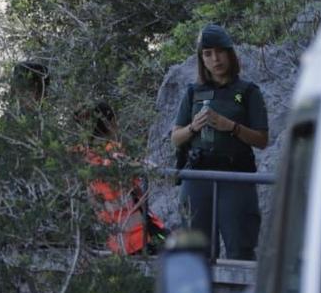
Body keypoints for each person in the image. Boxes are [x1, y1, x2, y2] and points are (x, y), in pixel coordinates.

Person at [169, 24, 269, 260]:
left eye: (220, 51)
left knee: (241, 250)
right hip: (198, 177)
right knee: (194, 252)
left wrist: (230, 126)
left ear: (230, 53)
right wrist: (194, 127)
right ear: (202, 59)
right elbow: (176, 137)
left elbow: (262, 140)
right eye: (207, 53)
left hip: (235, 177)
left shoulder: (247, 92)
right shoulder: (193, 91)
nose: (215, 59)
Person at [81, 102, 166, 255]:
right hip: (139, 235)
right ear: (111, 122)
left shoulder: (89, 157)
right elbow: (120, 161)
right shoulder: (111, 149)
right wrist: (145, 165)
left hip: (117, 239)